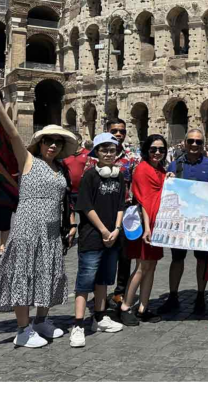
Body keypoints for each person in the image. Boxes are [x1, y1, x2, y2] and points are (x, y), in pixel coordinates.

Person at [0, 87, 77, 348]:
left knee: (48, 273)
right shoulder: (28, 160)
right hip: (27, 227)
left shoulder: (60, 169)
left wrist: (71, 223)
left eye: (57, 141)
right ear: (40, 143)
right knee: (22, 275)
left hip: (51, 230)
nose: (53, 145)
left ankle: (41, 320)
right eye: (48, 140)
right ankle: (22, 329)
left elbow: (67, 201)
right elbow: (12, 134)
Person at [160, 128, 208, 316]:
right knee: (177, 259)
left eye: (198, 142)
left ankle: (201, 295)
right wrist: (167, 180)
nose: (194, 145)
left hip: (203, 222)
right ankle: (173, 296)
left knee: (202, 259)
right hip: (179, 222)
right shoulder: (175, 165)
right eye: (191, 141)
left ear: (203, 145)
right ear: (185, 143)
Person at [70, 133, 126, 347]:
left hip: (112, 236)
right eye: (104, 150)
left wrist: (117, 229)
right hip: (93, 237)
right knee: (85, 282)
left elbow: (121, 204)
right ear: (96, 153)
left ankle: (100, 318)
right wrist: (104, 230)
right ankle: (78, 325)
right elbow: (85, 206)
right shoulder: (90, 176)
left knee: (103, 279)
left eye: (112, 150)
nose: (108, 154)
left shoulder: (119, 176)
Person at [85, 119, 139, 312]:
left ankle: (120, 291)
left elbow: (137, 183)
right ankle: (98, 293)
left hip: (123, 212)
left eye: (121, 131)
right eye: (114, 130)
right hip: (99, 212)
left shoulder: (132, 158)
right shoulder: (93, 158)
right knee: (99, 253)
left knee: (125, 255)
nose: (118, 134)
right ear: (108, 131)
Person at [119, 134, 168, 326]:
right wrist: (148, 228)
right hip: (146, 226)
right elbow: (143, 201)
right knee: (141, 267)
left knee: (152, 266)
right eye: (153, 149)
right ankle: (125, 306)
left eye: (161, 149)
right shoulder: (142, 169)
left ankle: (143, 307)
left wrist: (169, 178)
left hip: (159, 224)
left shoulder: (161, 170)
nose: (157, 152)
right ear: (146, 149)